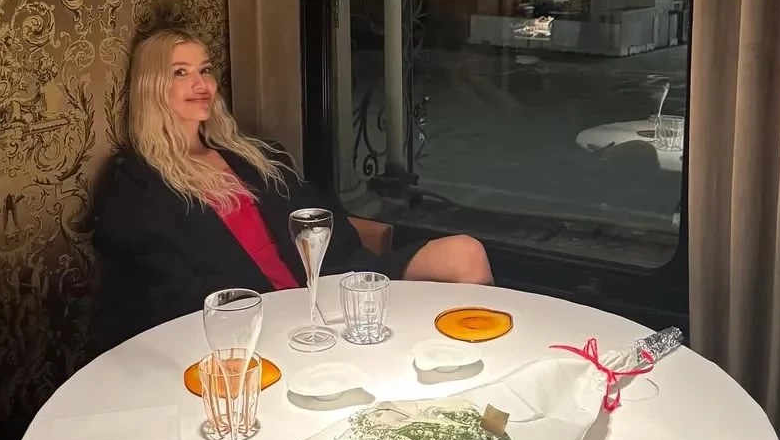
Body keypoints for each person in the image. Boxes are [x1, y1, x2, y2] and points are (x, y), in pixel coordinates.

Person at [92, 29, 492, 349]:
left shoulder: (252, 155)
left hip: (325, 284)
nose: (202, 84)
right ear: (151, 86)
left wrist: (341, 277)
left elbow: (322, 220)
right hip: (256, 314)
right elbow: (166, 287)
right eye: (181, 73)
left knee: (465, 252)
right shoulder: (139, 183)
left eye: (205, 70)